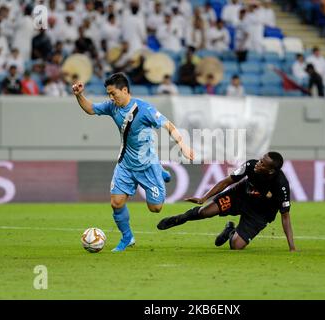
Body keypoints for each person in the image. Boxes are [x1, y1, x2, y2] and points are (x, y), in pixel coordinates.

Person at [72, 72, 194, 252]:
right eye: (109, 94)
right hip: (126, 164)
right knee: (116, 203)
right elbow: (91, 109)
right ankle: (127, 237)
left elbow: (168, 125)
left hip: (147, 165)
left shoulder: (144, 109)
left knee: (156, 208)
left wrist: (182, 145)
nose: (111, 97)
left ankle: (159, 172)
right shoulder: (112, 107)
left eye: (113, 93)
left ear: (125, 90)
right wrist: (79, 95)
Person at [157, 152, 296, 251]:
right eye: (260, 160)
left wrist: (292, 247)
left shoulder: (281, 186)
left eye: (262, 164)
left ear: (271, 171)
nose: (258, 164)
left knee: (236, 246)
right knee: (207, 211)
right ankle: (180, 218)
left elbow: (285, 217)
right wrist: (203, 198)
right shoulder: (250, 165)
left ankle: (230, 231)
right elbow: (226, 182)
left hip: (259, 214)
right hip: (240, 197)